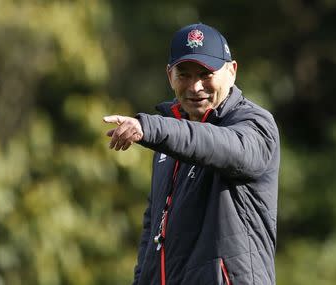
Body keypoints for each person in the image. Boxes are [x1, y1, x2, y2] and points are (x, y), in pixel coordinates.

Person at [104, 23, 280, 285]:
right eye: (184, 75)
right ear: (169, 76)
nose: (195, 86)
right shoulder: (168, 143)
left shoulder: (255, 124)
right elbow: (152, 232)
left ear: (231, 71)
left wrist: (151, 127)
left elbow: (222, 146)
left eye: (206, 73)